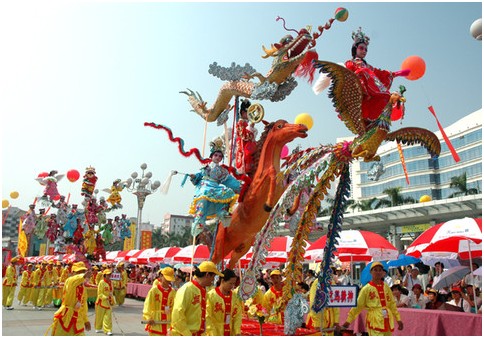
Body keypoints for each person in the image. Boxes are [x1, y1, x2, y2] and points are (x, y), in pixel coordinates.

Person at [345, 27, 409, 125]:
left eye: (366, 49)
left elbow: (380, 74)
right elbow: (348, 77)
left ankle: (371, 121)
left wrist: (397, 73)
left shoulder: (369, 67)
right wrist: (361, 73)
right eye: (361, 48)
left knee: (385, 99)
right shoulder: (350, 63)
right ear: (355, 49)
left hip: (371, 95)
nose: (364, 51)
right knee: (364, 71)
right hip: (357, 95)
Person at [188, 146, 241, 243]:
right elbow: (198, 178)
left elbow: (229, 180)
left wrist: (239, 186)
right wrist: (194, 176)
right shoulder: (205, 168)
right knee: (203, 196)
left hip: (215, 187)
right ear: (212, 156)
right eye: (216, 155)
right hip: (204, 186)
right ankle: (200, 221)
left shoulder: (222, 171)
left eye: (220, 156)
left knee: (227, 193)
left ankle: (222, 213)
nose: (217, 157)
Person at [341, 262, 403, 336]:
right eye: (375, 270)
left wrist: (398, 319)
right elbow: (358, 306)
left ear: (383, 272)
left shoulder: (386, 287)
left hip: (387, 320)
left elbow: (392, 304)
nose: (378, 272)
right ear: (371, 272)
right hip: (374, 320)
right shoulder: (366, 289)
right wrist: (348, 321)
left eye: (380, 270)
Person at [171, 261, 223, 336]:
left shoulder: (204, 290)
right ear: (207, 275)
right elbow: (177, 316)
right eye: (213, 277)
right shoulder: (187, 289)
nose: (213, 280)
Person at [49, 261, 92, 335]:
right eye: (79, 272)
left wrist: (86, 320)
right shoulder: (69, 281)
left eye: (83, 271)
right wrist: (83, 276)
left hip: (78, 320)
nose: (81, 273)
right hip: (65, 317)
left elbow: (84, 306)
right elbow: (75, 279)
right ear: (73, 273)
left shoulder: (83, 289)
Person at [206, 268, 242, 336]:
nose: (232, 286)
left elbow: (238, 316)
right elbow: (207, 317)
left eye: (233, 284)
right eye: (230, 283)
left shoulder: (235, 297)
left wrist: (237, 331)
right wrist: (212, 334)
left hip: (231, 332)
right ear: (222, 281)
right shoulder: (211, 296)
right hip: (215, 332)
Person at [142, 267, 177, 336]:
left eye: (169, 279)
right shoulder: (154, 290)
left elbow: (174, 307)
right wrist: (148, 317)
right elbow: (147, 305)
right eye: (166, 278)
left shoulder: (173, 292)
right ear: (161, 276)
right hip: (155, 320)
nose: (168, 281)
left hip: (168, 321)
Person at [95, 269, 115, 335]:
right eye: (108, 274)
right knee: (99, 316)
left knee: (108, 317)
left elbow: (112, 291)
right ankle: (97, 327)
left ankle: (108, 330)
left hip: (108, 302)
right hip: (101, 302)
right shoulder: (101, 282)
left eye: (110, 274)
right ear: (104, 275)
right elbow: (99, 293)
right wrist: (105, 297)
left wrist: (111, 297)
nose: (109, 276)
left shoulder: (111, 282)